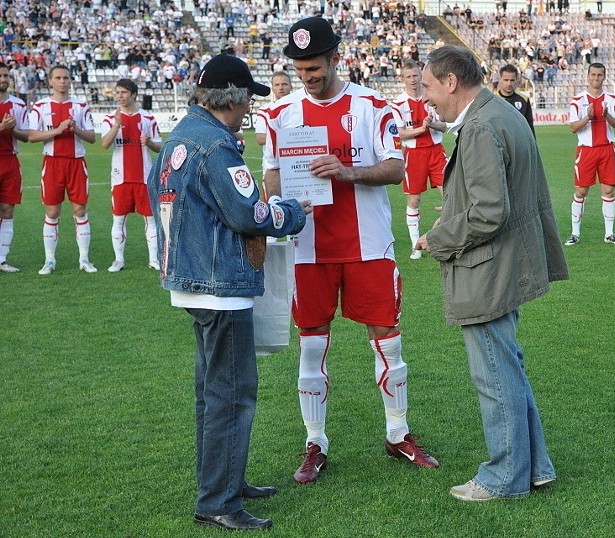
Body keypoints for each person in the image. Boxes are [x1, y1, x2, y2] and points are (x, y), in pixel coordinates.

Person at [262, 17, 439, 486]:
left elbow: (395, 167)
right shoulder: (280, 115)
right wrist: (281, 205)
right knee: (312, 344)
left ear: (336, 59)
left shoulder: (371, 107)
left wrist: (347, 172)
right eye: (300, 70)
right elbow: (273, 173)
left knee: (388, 338)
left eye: (315, 68)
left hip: (368, 244)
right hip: (309, 248)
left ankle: (397, 434)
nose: (308, 77)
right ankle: (315, 442)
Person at [147, 54, 310, 531]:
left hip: (190, 280)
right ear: (233, 97)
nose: (249, 109)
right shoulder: (216, 146)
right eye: (247, 100)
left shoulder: (180, 136)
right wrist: (289, 211)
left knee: (211, 392)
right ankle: (219, 498)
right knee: (232, 395)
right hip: (221, 286)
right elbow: (248, 216)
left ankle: (224, 482)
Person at [417, 45, 568, 501]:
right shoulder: (500, 113)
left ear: (450, 82)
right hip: (509, 262)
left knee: (495, 375)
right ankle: (534, 465)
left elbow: (487, 213)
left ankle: (504, 477)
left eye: (427, 86)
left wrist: (436, 238)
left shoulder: (482, 126)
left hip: (490, 270)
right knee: (509, 366)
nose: (425, 97)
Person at [28, 65, 97, 275]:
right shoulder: (40, 106)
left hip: (76, 163)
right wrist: (58, 131)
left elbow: (92, 137)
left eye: (66, 78)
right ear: (50, 81)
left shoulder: (81, 106)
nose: (62, 81)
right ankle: (49, 261)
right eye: (58, 78)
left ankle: (84, 259)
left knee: (80, 211)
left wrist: (75, 129)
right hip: (52, 163)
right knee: (52, 212)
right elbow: (31, 136)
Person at [101, 79, 163, 272]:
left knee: (150, 219)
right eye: (117, 92)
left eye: (124, 92)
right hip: (120, 177)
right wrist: (116, 126)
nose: (120, 96)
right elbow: (104, 144)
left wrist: (150, 143)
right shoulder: (110, 118)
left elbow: (161, 146)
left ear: (134, 94)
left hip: (144, 177)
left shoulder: (148, 118)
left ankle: (154, 259)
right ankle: (118, 260)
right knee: (118, 219)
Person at [391, 59, 448, 260]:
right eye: (409, 76)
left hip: (435, 151)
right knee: (414, 199)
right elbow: (398, 134)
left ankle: (448, 240)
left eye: (416, 75)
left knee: (451, 195)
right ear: (402, 79)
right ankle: (416, 246)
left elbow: (444, 126)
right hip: (413, 155)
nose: (413, 80)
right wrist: (421, 129)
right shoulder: (397, 104)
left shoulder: (432, 98)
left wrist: (432, 125)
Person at [565, 63, 615, 246]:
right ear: (588, 76)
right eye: (593, 75)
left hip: (607, 149)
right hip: (586, 150)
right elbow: (573, 128)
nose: (596, 78)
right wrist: (587, 117)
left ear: (604, 77)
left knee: (608, 190)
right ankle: (575, 233)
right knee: (581, 191)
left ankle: (609, 234)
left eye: (599, 75)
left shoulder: (612, 99)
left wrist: (607, 115)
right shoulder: (578, 100)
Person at [0, 62, 29, 273]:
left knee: (8, 209)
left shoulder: (18, 104)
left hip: (10, 161)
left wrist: (13, 129)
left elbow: (26, 136)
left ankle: (2, 259)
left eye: (6, 76)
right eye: (0, 76)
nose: (3, 79)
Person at [254, 71, 293, 147]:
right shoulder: (264, 110)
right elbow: (261, 139)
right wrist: (294, 138)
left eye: (284, 84)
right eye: (277, 85)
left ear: (291, 87)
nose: (281, 88)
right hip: (274, 158)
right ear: (272, 88)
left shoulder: (300, 108)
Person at [497, 64, 535, 135]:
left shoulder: (524, 100)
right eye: (506, 80)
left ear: (516, 80)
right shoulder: (492, 100)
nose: (509, 83)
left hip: (519, 143)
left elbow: (529, 126)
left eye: (512, 80)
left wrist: (533, 145)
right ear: (500, 79)